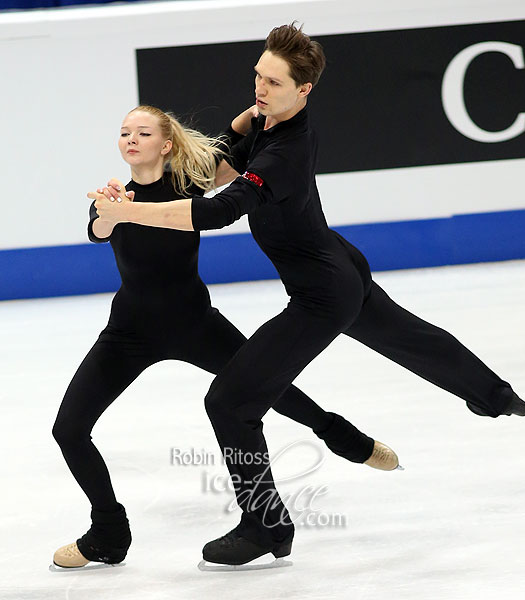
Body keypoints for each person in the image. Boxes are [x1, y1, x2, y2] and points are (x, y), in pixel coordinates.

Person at [95, 24, 525, 568]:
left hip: (320, 294)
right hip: (336, 265)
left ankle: (266, 526)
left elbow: (213, 211)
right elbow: (224, 157)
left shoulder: (286, 152)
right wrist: (239, 124)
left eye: (273, 82)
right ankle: (498, 396)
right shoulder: (270, 121)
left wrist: (126, 211)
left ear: (303, 90)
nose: (259, 87)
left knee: (230, 401)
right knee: (409, 338)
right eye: (257, 75)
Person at [51, 104, 399, 570]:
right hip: (128, 333)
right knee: (68, 429)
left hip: (195, 323)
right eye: (124, 132)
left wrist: (251, 117)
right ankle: (109, 533)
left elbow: (239, 152)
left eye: (143, 132)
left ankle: (344, 438)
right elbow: (98, 229)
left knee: (271, 388)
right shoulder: (111, 200)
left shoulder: (192, 186)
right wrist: (113, 211)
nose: (131, 139)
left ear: (166, 144)